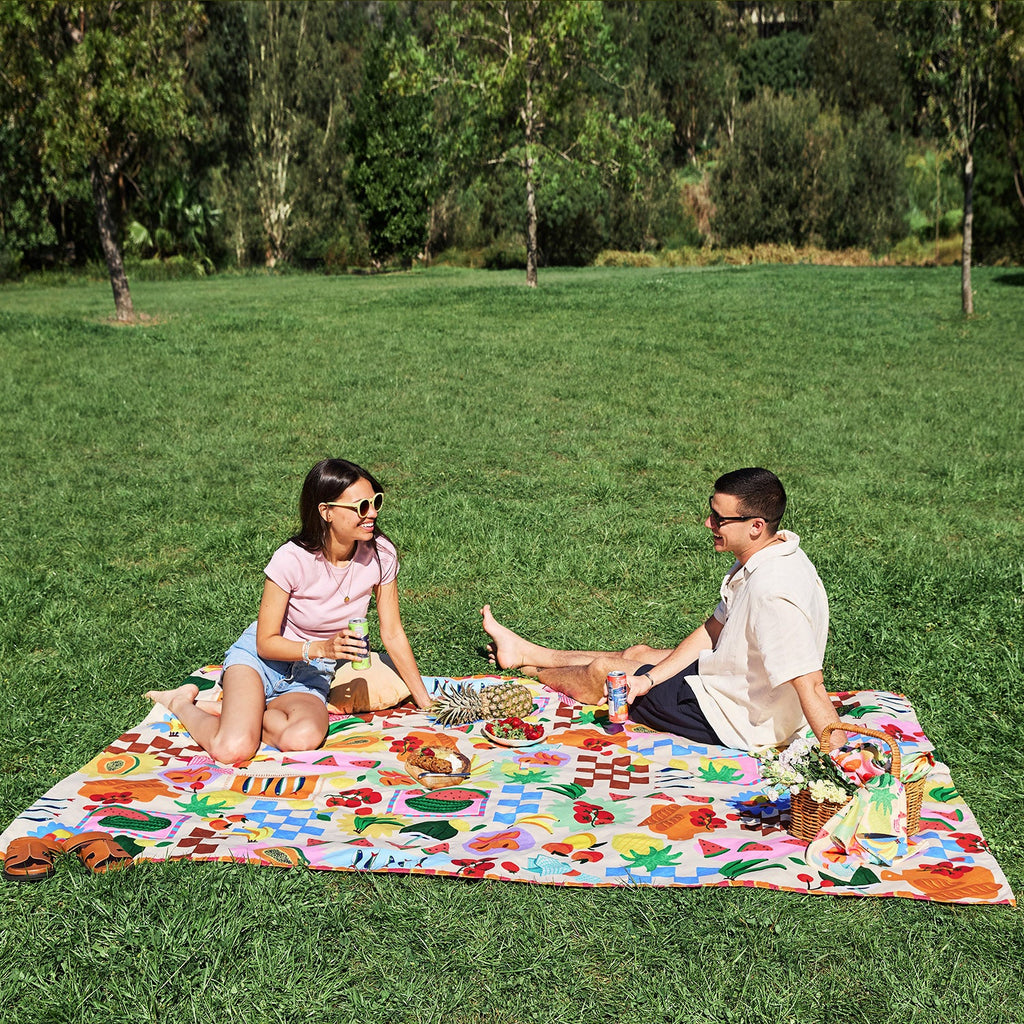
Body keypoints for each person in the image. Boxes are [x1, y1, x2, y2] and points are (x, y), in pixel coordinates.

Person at [481, 468, 844, 751]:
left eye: (720, 519)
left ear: (756, 527)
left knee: (605, 672)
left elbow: (811, 684)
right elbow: (711, 632)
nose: (709, 524)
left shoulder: (773, 591)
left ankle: (532, 669)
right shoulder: (775, 553)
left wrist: (842, 760)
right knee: (638, 655)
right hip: (735, 677)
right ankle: (527, 652)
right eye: (711, 512)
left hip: (734, 718)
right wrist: (650, 677)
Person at [147, 458, 432, 762]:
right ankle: (182, 703)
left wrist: (425, 702)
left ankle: (246, 712)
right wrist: (322, 647)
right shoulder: (291, 559)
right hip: (261, 662)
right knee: (232, 749)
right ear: (327, 512)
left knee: (301, 739)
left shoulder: (380, 554)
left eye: (375, 501)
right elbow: (265, 641)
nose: (372, 513)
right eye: (361, 507)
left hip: (313, 673)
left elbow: (392, 632)